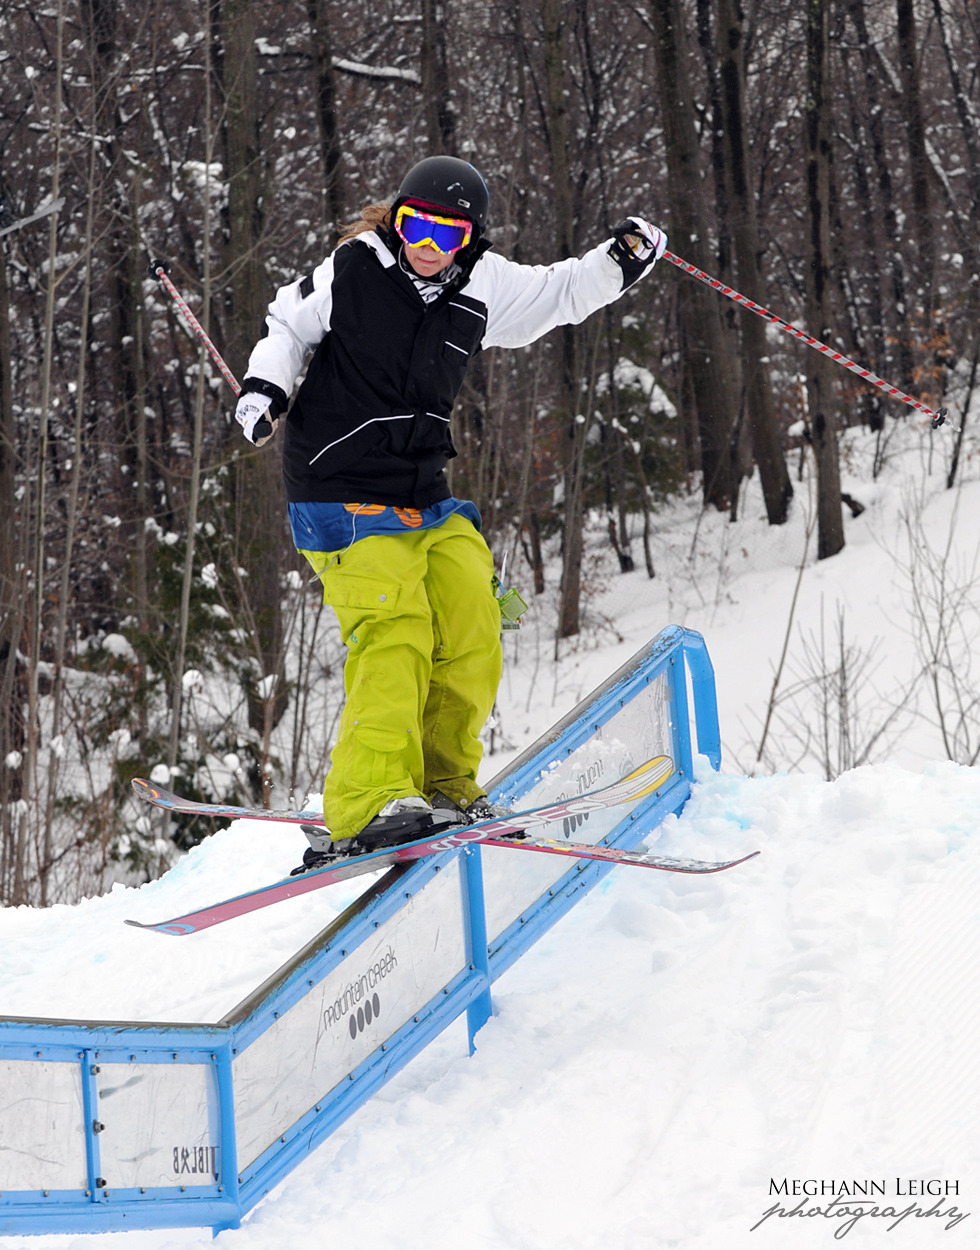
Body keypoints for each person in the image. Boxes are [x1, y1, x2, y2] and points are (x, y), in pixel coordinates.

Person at [235, 155, 667, 869]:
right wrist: (264, 389)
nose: (428, 244)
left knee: (471, 615)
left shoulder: (482, 285)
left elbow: (561, 291)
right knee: (396, 633)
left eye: (448, 232)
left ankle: (441, 784)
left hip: (423, 490)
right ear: (396, 218)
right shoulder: (355, 267)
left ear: (470, 238)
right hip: (337, 486)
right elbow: (288, 323)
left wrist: (620, 261)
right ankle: (368, 799)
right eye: (415, 225)